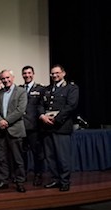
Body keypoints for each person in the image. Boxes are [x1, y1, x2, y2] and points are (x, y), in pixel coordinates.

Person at [40, 64, 79, 192]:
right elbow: (40, 104)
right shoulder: (47, 89)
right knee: (50, 157)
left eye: (57, 73)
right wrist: (42, 116)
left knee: (63, 157)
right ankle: (55, 179)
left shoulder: (71, 88)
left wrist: (56, 119)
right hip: (47, 127)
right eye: (52, 73)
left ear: (63, 73)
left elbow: (71, 106)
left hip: (61, 127)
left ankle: (64, 181)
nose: (54, 75)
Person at [0, 69, 28, 193]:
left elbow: (20, 110)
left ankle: (20, 182)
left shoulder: (21, 92)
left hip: (15, 130)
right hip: (0, 131)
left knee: (18, 159)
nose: (5, 80)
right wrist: (0, 121)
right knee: (2, 159)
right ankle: (3, 181)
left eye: (8, 78)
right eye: (3, 78)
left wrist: (6, 121)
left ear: (13, 78)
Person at [19, 65, 45, 186]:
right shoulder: (19, 89)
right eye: (24, 73)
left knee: (37, 153)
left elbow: (42, 107)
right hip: (21, 127)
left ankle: (38, 175)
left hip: (34, 127)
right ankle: (22, 174)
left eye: (29, 73)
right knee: (22, 153)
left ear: (33, 74)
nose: (27, 75)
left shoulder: (40, 89)